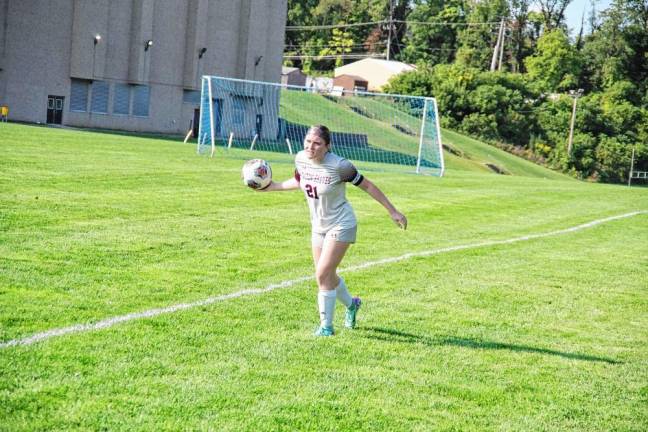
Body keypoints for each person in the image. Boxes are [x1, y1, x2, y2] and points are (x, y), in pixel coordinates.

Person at [259, 125, 407, 336]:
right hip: (318, 226)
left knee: (322, 274)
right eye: (308, 141)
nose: (311, 146)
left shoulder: (340, 166)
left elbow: (369, 186)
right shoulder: (301, 159)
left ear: (327, 146)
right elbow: (301, 182)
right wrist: (273, 186)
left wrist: (393, 211)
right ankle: (352, 305)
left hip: (341, 223)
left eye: (317, 143)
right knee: (328, 276)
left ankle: (326, 328)